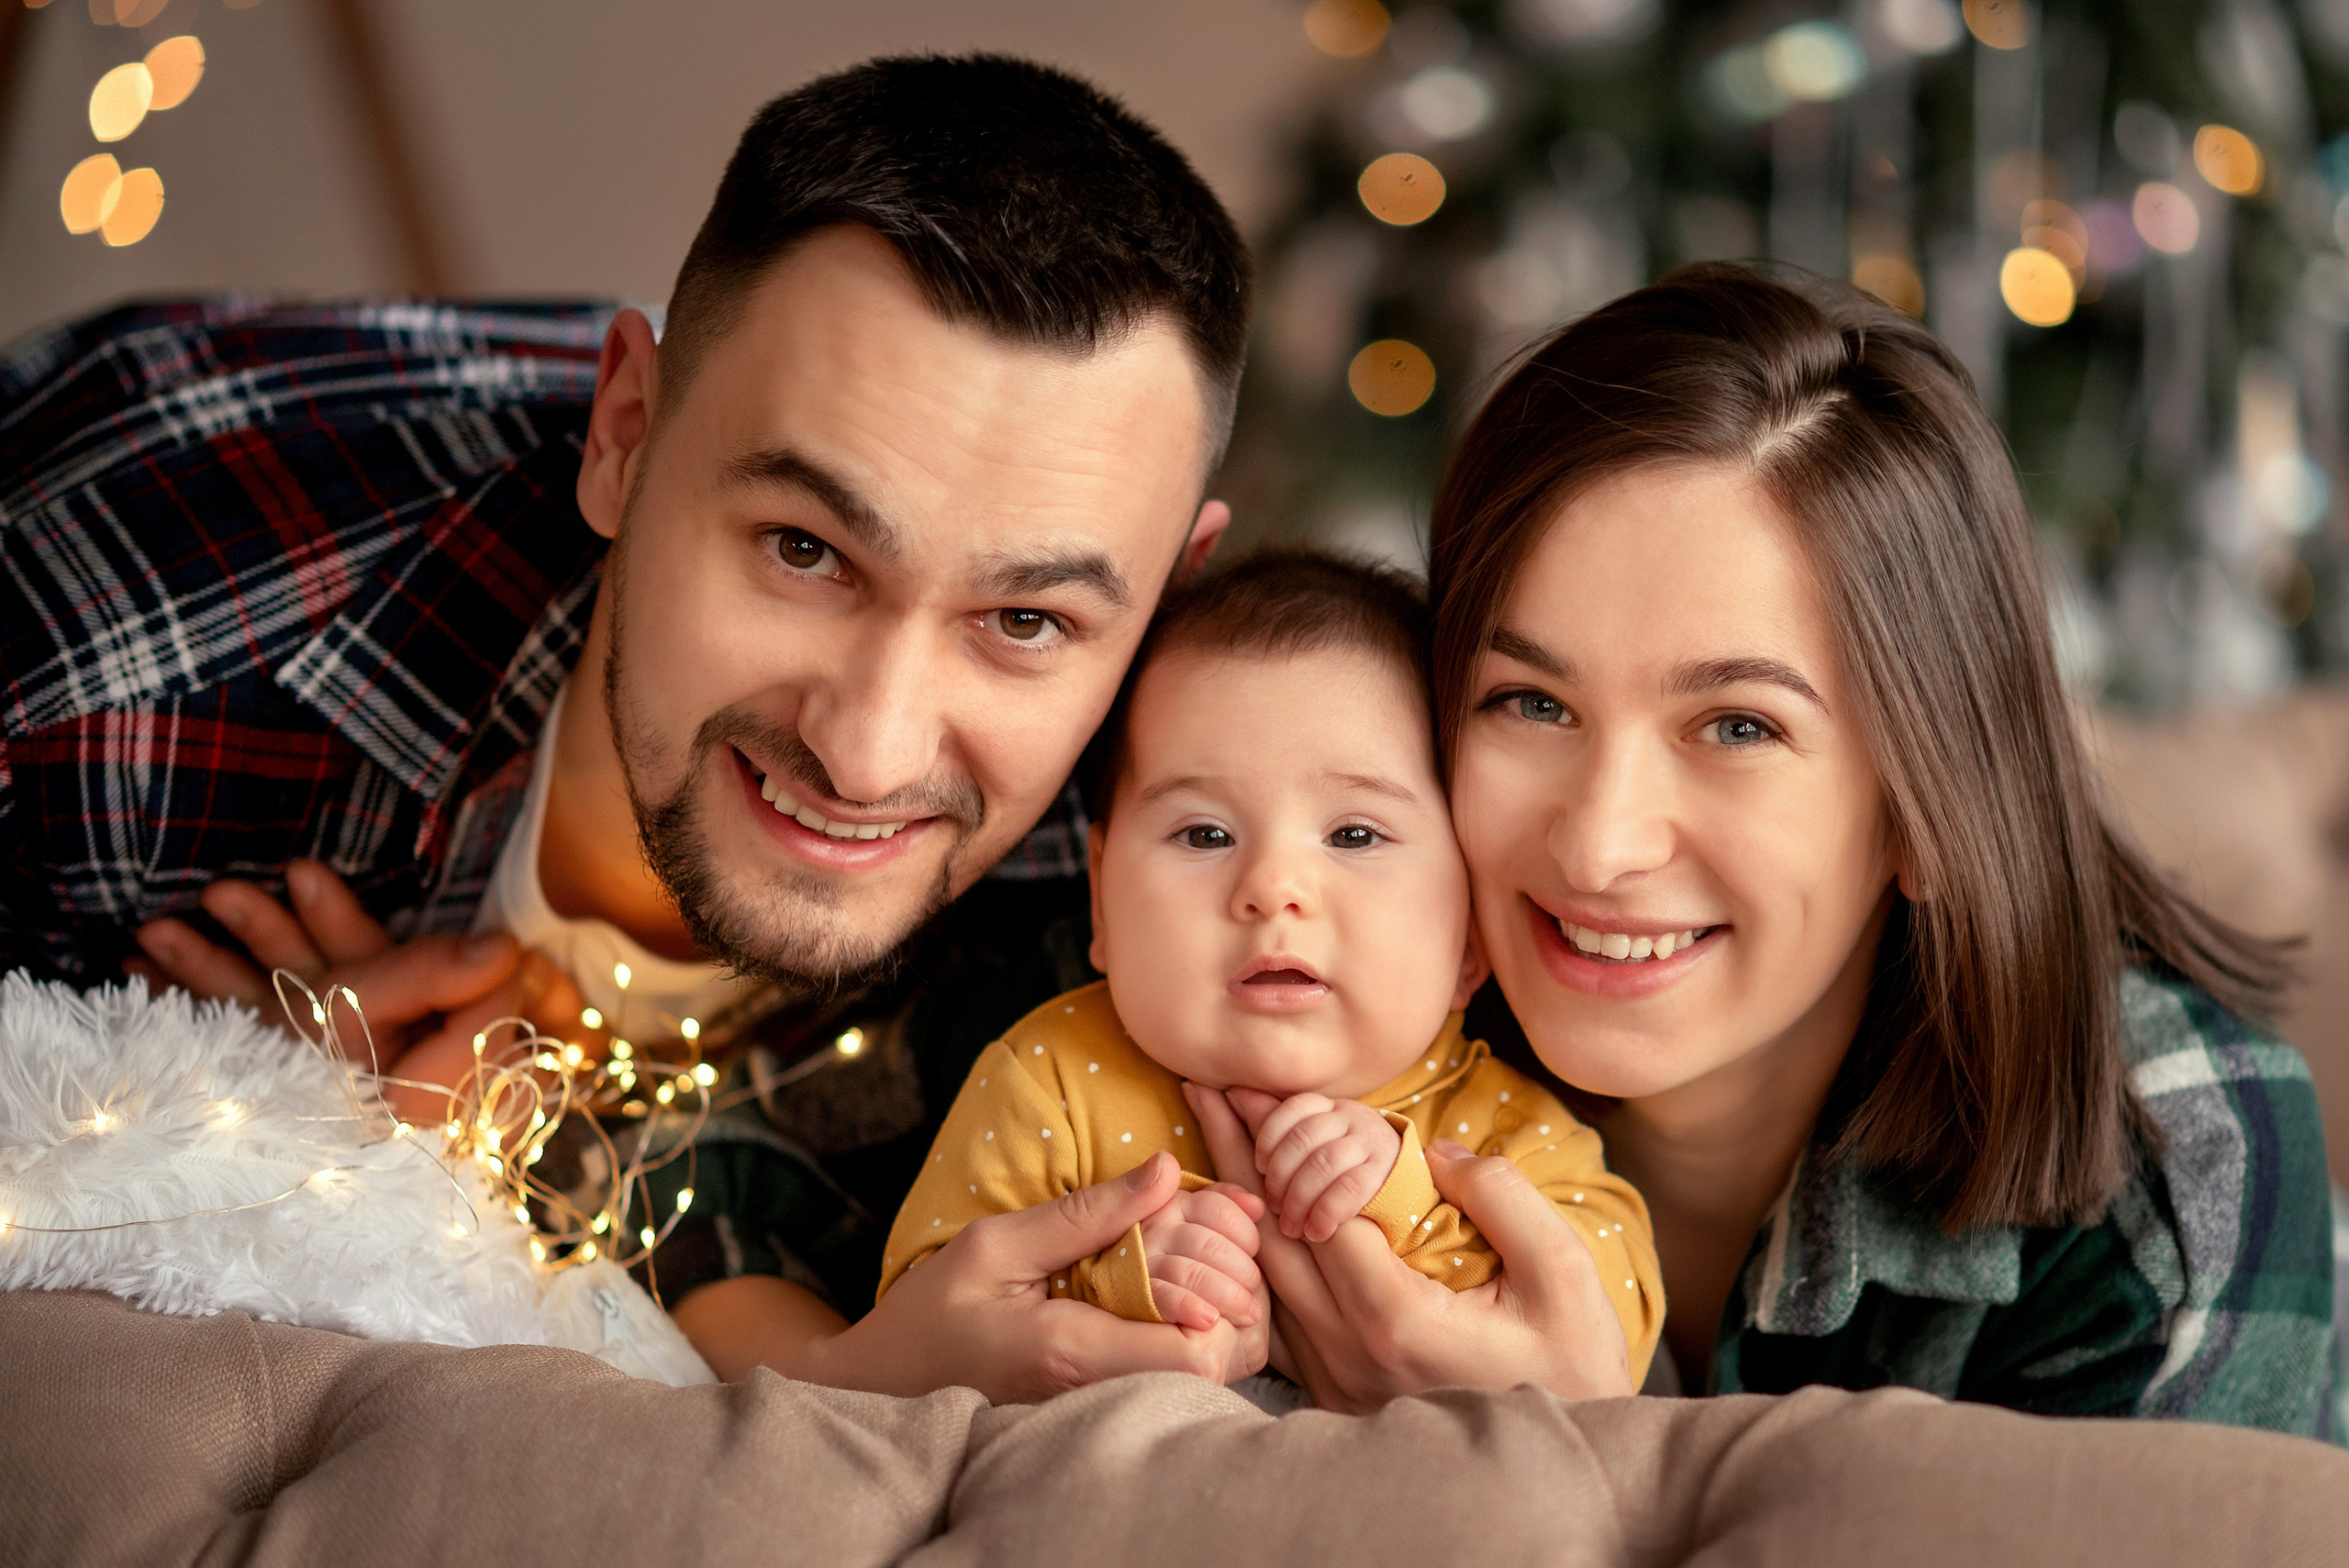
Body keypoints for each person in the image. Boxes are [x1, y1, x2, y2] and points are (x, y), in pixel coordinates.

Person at [0, 53, 1285, 1404]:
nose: (872, 753)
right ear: (623, 432)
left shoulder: (1183, 864)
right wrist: (204, 1127)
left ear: (1165, 601)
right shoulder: (105, 686)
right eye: (805, 549)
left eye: (1025, 622)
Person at [1187, 263, 2341, 1436]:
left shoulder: (2172, 1176)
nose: (1598, 843)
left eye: (1737, 725)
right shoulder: (1258, 985)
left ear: (1924, 806)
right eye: (1530, 702)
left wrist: (1580, 1462)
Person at [691, 551, 1660, 1389]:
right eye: (1203, 832)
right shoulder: (1050, 1076)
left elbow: (1608, 1310)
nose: (1273, 886)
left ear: (1468, 941)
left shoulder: (1492, 1123)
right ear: (1102, 902)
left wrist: (1398, 1192)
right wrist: (1124, 1277)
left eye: (1355, 833)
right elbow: (933, 1307)